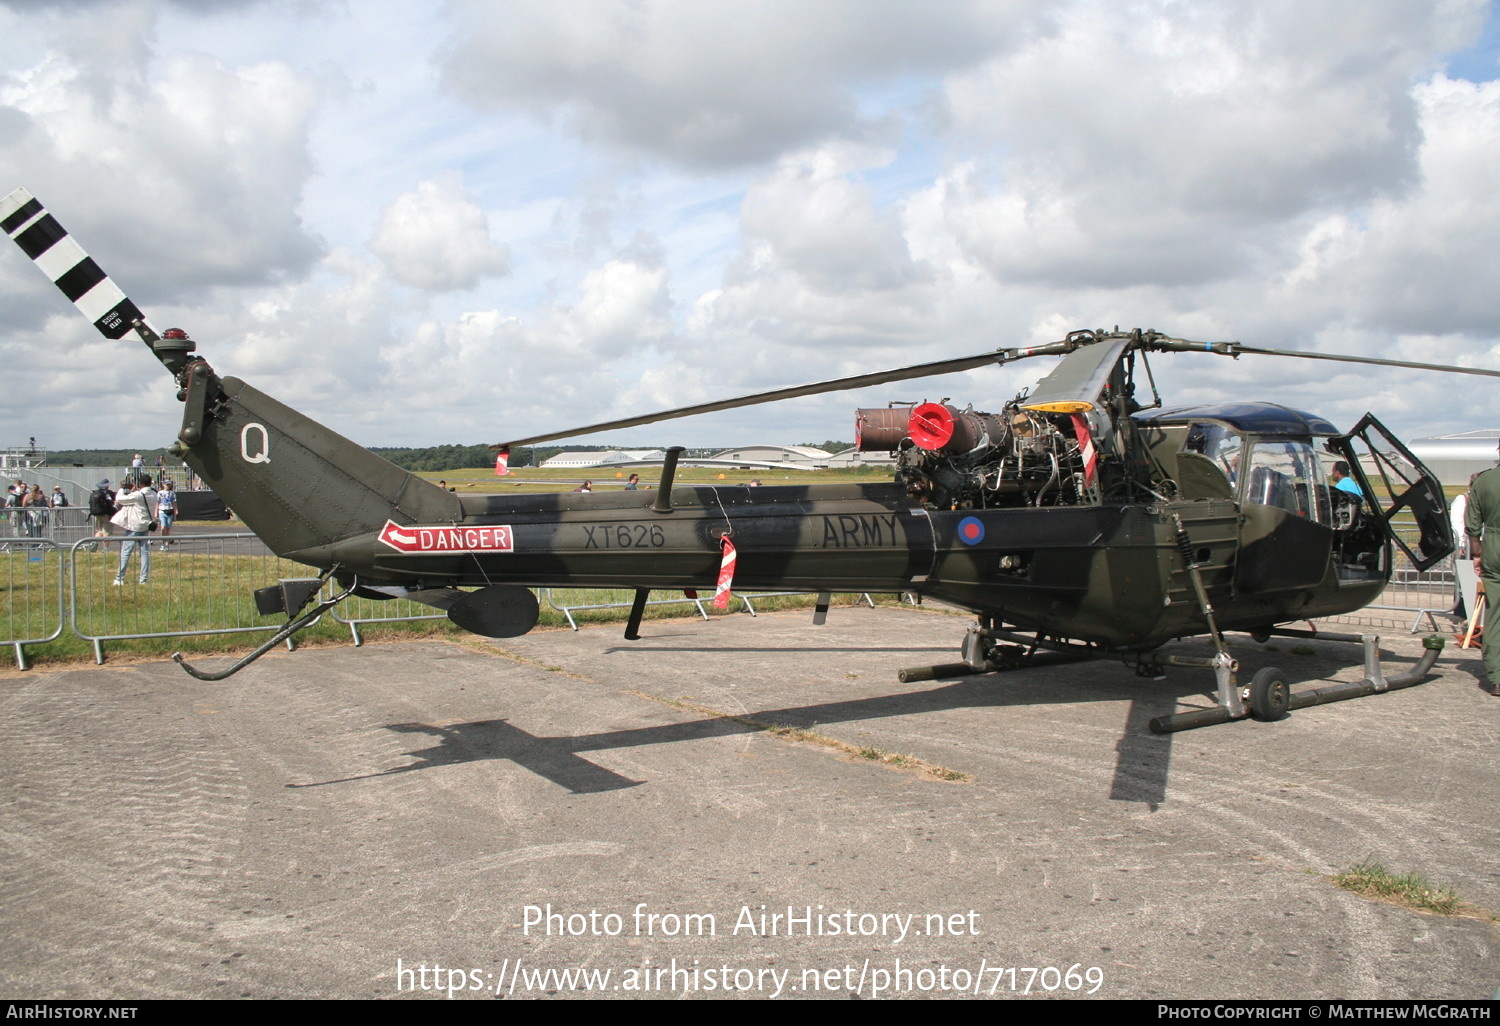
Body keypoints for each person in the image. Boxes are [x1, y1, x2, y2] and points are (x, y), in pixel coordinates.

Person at [1464, 446, 1500, 696]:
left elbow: (1473, 525)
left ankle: (1497, 676)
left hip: (1494, 549)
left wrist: (1478, 555)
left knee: (1494, 616)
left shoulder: (1484, 480)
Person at [111, 474, 156, 585]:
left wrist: (122, 488)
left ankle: (119, 578)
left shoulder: (138, 495)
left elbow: (120, 499)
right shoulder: (154, 493)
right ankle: (143, 579)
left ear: (140, 484)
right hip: (146, 525)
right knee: (144, 553)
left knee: (126, 552)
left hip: (134, 527)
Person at [155, 479, 177, 547]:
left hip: (170, 511)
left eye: (169, 484)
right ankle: (163, 541)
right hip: (162, 511)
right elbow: (157, 503)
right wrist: (156, 512)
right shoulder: (160, 493)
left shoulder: (172, 493)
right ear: (163, 485)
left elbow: (174, 503)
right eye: (166, 484)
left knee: (168, 528)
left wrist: (175, 511)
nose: (168, 486)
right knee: (163, 527)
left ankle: (166, 541)